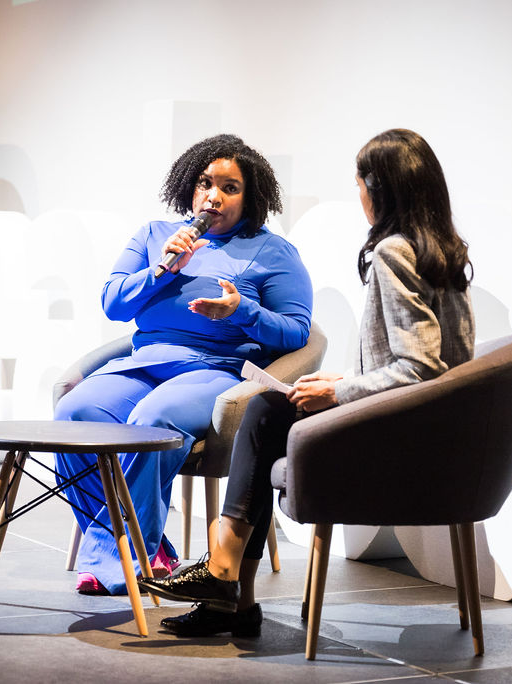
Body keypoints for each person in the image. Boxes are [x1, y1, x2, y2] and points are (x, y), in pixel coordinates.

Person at [140, 128, 476, 636]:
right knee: (268, 413)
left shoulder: (394, 253)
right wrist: (347, 379)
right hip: (440, 424)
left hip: (401, 432)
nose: (358, 195)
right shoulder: (445, 252)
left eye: (360, 184)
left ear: (380, 189)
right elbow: (442, 362)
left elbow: (421, 367)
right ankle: (230, 590)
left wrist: (337, 392)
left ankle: (226, 578)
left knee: (264, 416)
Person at [54, 134, 313, 596]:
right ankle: (138, 548)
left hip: (214, 370)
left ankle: (124, 559)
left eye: (230, 188)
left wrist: (242, 312)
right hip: (146, 362)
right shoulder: (155, 236)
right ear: (189, 186)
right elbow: (113, 303)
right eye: (205, 183)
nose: (213, 196)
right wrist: (163, 269)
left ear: (250, 197)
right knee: (74, 414)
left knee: (153, 420)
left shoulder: (273, 252)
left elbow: (297, 332)